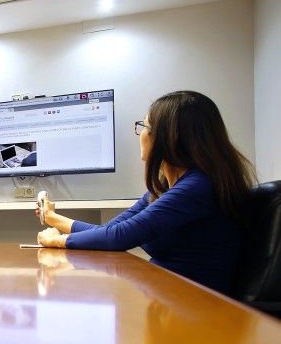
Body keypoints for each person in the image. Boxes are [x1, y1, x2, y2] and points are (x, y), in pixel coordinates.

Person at [36, 91, 256, 293]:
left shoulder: (198, 186)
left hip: (195, 305)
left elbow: (118, 238)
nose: (140, 134)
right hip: (167, 294)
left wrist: (57, 241)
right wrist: (53, 218)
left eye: (145, 126)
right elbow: (110, 230)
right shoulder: (166, 188)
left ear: (169, 137)